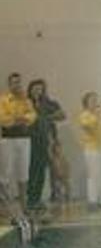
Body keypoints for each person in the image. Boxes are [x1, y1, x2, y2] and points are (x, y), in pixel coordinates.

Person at [25, 79, 65, 210]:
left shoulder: (48, 103)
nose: (37, 91)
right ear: (30, 90)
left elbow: (62, 115)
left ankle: (38, 199)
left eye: (40, 89)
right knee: (32, 170)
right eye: (35, 89)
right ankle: (30, 199)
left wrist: (46, 117)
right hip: (30, 140)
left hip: (45, 140)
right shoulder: (26, 103)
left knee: (42, 170)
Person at [0, 73, 37, 208]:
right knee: (6, 172)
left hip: (24, 139)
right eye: (14, 82)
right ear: (9, 84)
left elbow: (32, 116)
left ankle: (23, 204)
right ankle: (6, 205)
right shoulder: (3, 100)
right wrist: (18, 119)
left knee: (23, 170)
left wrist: (21, 119)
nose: (17, 85)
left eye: (19, 82)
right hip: (8, 140)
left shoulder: (26, 100)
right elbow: (3, 119)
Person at [79, 92, 101, 208]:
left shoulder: (100, 114)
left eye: (95, 100)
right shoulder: (84, 115)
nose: (95, 102)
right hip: (91, 149)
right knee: (93, 175)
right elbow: (88, 127)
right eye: (91, 100)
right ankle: (92, 200)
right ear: (86, 102)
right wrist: (98, 115)